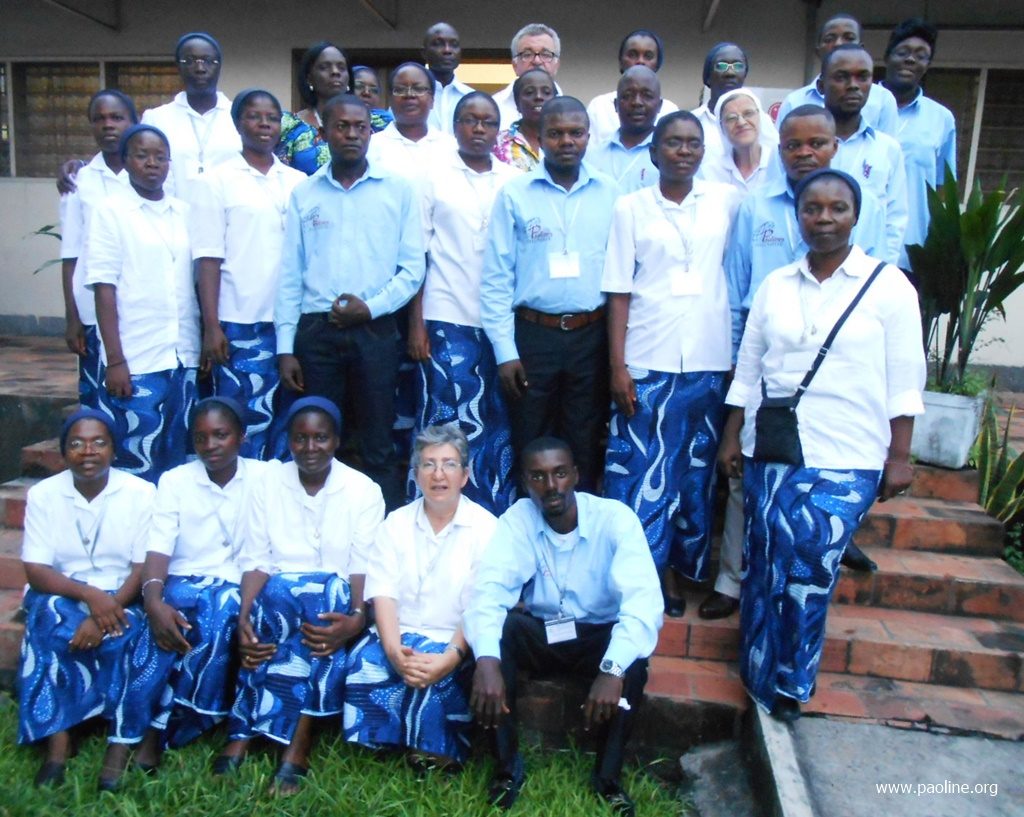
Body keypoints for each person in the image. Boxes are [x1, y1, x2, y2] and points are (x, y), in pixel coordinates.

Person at [718, 169, 925, 721]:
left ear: (856, 216)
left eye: (837, 208)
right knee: (766, 562)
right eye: (813, 209)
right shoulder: (776, 284)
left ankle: (792, 682)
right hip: (773, 448)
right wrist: (732, 434)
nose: (824, 219)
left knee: (809, 569)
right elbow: (749, 368)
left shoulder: (889, 286)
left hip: (848, 452)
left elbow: (906, 377)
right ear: (798, 216)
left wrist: (899, 456)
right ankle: (758, 673)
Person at [464, 437, 662, 815]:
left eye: (559, 473)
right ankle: (506, 769)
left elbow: (643, 605)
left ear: (575, 475)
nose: (551, 486)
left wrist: (612, 669)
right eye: (538, 476)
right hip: (545, 631)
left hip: (597, 635)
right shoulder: (518, 520)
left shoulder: (615, 520)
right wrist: (486, 662)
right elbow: (488, 592)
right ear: (525, 482)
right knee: (500, 634)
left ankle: (608, 780)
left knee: (633, 662)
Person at [602, 112, 739, 618]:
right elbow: (618, 290)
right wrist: (618, 366)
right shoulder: (630, 207)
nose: (684, 151)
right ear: (654, 151)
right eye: (674, 142)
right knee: (641, 474)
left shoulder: (727, 202)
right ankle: (649, 576)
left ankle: (684, 569)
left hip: (708, 358)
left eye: (693, 143)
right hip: (646, 357)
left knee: (693, 475)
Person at [275, 94, 424, 511]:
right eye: (342, 126)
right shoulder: (304, 194)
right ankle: (320, 524)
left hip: (376, 330)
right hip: (317, 332)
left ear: (371, 133)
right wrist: (285, 348)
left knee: (378, 440)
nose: (353, 134)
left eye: (361, 127)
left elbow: (412, 269)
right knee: (320, 438)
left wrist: (371, 308)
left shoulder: (398, 191)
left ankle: (381, 527)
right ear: (323, 133)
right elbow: (290, 274)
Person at [229, 396, 384, 793]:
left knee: (322, 597)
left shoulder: (363, 490)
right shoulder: (267, 484)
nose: (310, 447)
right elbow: (257, 558)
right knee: (274, 600)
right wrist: (244, 616)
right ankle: (257, 731)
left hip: (335, 601)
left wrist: (357, 616)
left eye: (321, 438)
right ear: (289, 441)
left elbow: (361, 564)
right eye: (300, 438)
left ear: (336, 440)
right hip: (277, 598)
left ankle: (292, 738)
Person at [121, 397, 267, 773]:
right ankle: (136, 730)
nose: (210, 445)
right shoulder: (175, 481)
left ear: (242, 436)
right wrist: (152, 599)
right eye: (201, 438)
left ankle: (165, 726)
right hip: (185, 578)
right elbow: (159, 546)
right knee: (168, 617)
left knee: (219, 609)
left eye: (221, 435)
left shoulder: (266, 478)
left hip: (238, 583)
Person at [481, 97, 620, 491]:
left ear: (588, 137)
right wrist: (505, 352)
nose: (566, 141)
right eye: (556, 134)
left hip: (590, 336)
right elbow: (496, 277)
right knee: (530, 437)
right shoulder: (514, 193)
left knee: (584, 439)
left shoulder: (611, 193)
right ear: (539, 139)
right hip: (533, 337)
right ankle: (530, 519)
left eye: (575, 133)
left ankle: (580, 520)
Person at [17, 409, 155, 790]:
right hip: (64, 590)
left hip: (124, 594)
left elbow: (142, 568)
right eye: (76, 444)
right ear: (64, 453)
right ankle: (58, 745)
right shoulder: (44, 495)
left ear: (114, 450)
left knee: (137, 632)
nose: (88, 451)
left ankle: (119, 737)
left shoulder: (141, 493)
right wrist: (89, 596)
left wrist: (103, 612)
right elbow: (36, 570)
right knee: (47, 617)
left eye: (98, 443)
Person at [344, 424, 496, 767]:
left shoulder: (487, 528)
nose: (438, 475)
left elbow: (480, 605)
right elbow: (383, 593)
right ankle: (383, 742)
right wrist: (393, 650)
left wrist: (450, 658)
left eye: (449, 464)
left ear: (465, 476)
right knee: (367, 663)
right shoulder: (395, 524)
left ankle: (435, 750)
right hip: (399, 634)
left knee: (439, 678)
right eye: (428, 464)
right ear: (415, 474)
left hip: (455, 641)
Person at [409, 92, 521, 514]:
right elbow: (417, 254)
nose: (478, 128)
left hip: (501, 323)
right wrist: (416, 324)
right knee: (444, 419)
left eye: (488, 122)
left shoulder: (514, 180)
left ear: (498, 130)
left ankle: (491, 516)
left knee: (496, 422)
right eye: (470, 120)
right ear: (454, 127)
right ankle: (435, 513)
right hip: (445, 315)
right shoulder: (432, 178)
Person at [191, 89, 306, 460]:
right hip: (240, 321)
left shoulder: (297, 182)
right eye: (255, 117)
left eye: (272, 118)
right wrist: (212, 326)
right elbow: (208, 258)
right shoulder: (217, 181)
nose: (264, 124)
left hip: (291, 321)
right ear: (238, 123)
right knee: (243, 419)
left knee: (286, 420)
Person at [86, 124, 199, 483]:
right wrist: (115, 360)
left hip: (183, 355)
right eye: (142, 155)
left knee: (179, 459)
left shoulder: (185, 212)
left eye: (160, 157)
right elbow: (104, 288)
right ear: (125, 161)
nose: (152, 163)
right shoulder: (111, 212)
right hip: (137, 356)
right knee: (136, 456)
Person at [59, 90, 138, 410]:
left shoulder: (154, 176)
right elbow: (70, 255)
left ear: (133, 122)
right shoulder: (79, 182)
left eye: (117, 117)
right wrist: (72, 317)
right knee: (98, 397)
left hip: (139, 307)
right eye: (99, 118)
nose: (108, 125)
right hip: (92, 309)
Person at [880, 18, 957, 269]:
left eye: (921, 55)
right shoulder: (859, 107)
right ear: (887, 57)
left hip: (912, 253)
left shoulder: (942, 119)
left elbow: (942, 188)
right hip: (854, 247)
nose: (911, 60)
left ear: (928, 65)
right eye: (903, 52)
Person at [823, 44, 908, 267]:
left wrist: (883, 271)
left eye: (862, 77)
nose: (853, 85)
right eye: (842, 77)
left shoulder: (887, 149)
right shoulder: (801, 148)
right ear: (822, 85)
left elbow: (895, 219)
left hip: (867, 273)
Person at [140, 32, 241, 201]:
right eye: (189, 61)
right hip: (171, 215)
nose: (200, 68)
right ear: (178, 67)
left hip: (230, 215)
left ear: (220, 66)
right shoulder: (156, 119)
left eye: (208, 61)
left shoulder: (239, 115)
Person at [776, 13, 900, 137]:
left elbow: (886, 146)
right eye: (830, 39)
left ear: (861, 47)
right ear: (818, 51)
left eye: (849, 38)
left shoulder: (883, 99)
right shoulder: (794, 101)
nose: (839, 44)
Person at [586, 29, 680, 145]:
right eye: (632, 55)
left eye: (648, 56)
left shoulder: (670, 110)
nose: (640, 61)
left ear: (657, 64)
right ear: (621, 62)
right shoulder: (599, 106)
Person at [692, 43, 777, 168]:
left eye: (738, 66)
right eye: (721, 66)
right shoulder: (693, 121)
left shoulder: (761, 121)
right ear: (708, 77)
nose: (730, 73)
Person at [366, 62, 457, 179]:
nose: (409, 95)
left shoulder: (452, 147)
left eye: (418, 89)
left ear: (432, 100)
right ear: (390, 100)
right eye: (400, 89)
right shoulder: (371, 147)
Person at [277, 42, 350, 175]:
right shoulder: (289, 126)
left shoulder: (372, 125)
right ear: (309, 78)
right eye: (324, 67)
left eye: (341, 67)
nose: (335, 72)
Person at [586, 66, 662, 194]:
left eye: (647, 96)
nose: (637, 102)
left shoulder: (669, 158)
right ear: (616, 105)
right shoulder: (592, 156)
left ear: (659, 105)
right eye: (628, 96)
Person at [698, 88, 782, 193]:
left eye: (748, 113)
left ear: (761, 117)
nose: (741, 123)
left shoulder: (780, 165)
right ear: (721, 127)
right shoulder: (709, 173)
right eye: (731, 118)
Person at [493, 23, 564, 131]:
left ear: (556, 65)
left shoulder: (572, 110)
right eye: (527, 54)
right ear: (515, 65)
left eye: (545, 54)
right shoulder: (493, 107)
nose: (537, 61)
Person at [492, 68, 556, 173]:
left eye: (546, 92)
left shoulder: (567, 141)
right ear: (517, 102)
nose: (539, 97)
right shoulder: (497, 143)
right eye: (529, 92)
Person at [424, 22, 473, 134]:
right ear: (424, 53)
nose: (447, 50)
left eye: (454, 45)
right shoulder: (410, 98)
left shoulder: (471, 97)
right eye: (438, 44)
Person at [351, 65, 394, 132]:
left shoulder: (390, 125)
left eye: (374, 90)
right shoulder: (335, 119)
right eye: (359, 86)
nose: (367, 93)